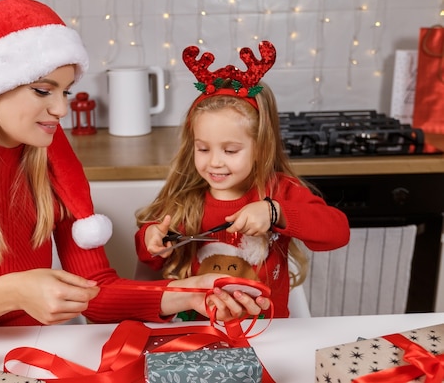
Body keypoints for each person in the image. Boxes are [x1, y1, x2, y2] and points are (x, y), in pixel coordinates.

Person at [0, 0, 263, 342]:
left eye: (65, 90)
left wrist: (186, 294)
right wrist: (12, 292)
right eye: (42, 90)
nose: (62, 109)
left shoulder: (47, 156)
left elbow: (97, 290)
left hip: (33, 354)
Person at [135, 41, 350, 319]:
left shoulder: (278, 190)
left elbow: (338, 231)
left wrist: (275, 211)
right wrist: (151, 238)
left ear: (260, 148)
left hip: (267, 333)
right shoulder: (186, 199)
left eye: (230, 150)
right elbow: (146, 256)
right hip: (197, 333)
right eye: (203, 148)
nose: (214, 161)